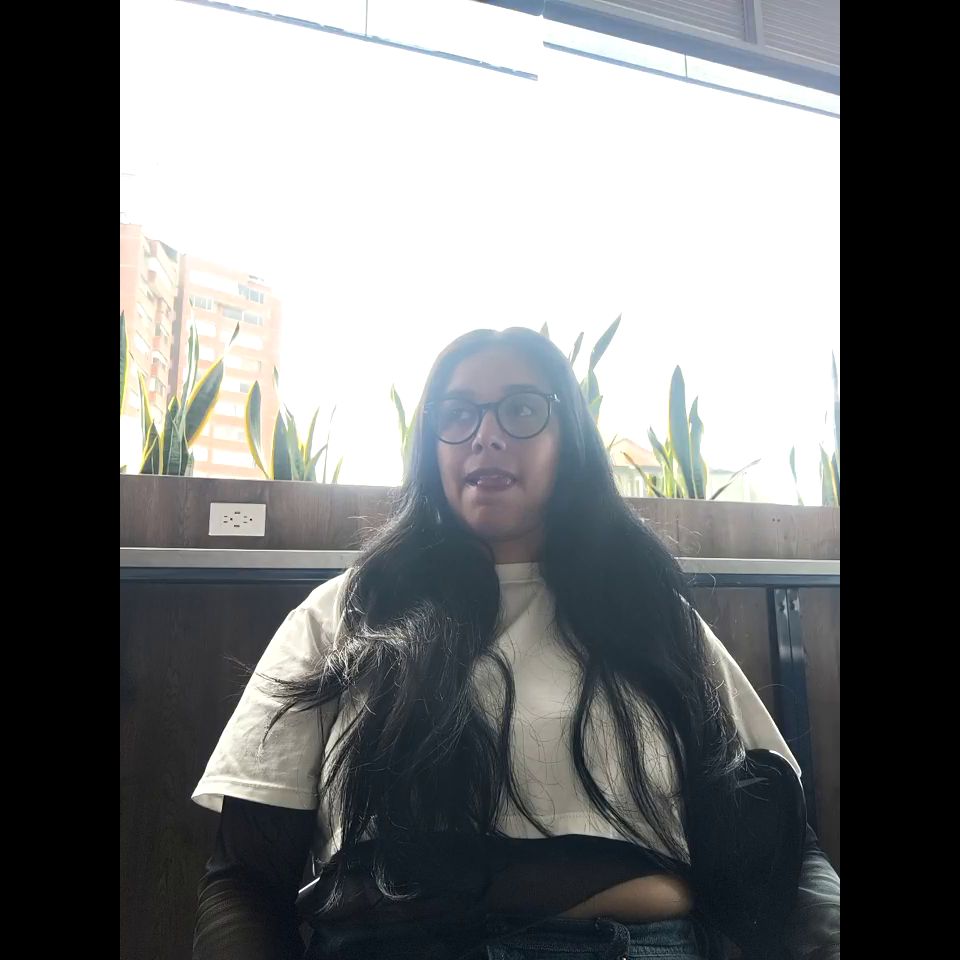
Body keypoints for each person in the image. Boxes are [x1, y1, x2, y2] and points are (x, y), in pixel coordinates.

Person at [192, 327, 840, 959]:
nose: (486, 434)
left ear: (570, 441)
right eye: (458, 414)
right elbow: (243, 881)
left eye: (522, 409)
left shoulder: (652, 618)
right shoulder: (345, 614)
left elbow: (788, 853)